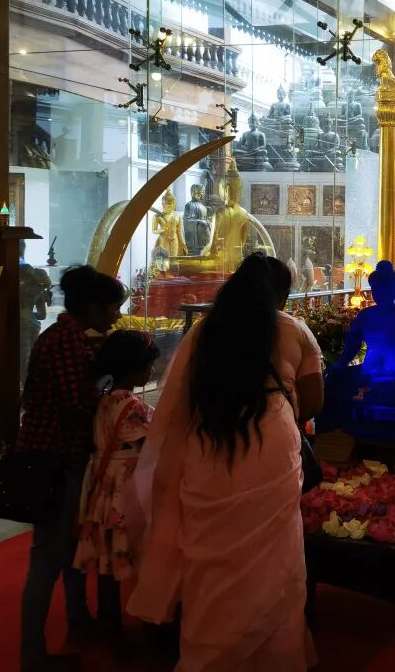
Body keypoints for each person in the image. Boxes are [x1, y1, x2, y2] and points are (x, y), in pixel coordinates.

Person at [128, 254, 323, 671]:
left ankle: (208, 654)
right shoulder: (294, 330)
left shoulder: (205, 331)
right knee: (276, 553)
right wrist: (282, 409)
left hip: (209, 440)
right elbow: (314, 403)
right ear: (281, 295)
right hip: (272, 443)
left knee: (210, 551)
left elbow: (180, 400)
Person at [18, 265, 126, 670]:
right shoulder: (64, 341)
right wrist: (113, 406)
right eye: (112, 308)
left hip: (62, 458)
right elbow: (75, 405)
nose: (116, 316)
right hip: (52, 460)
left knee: (65, 550)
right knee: (47, 557)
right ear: (93, 307)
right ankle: (32, 654)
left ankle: (77, 621)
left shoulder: (70, 338)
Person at [72, 330, 159, 634]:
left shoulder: (103, 400)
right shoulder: (133, 407)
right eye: (149, 366)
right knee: (132, 548)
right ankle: (138, 619)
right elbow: (151, 442)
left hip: (103, 484)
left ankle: (108, 618)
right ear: (134, 368)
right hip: (125, 487)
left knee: (108, 555)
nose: (151, 371)